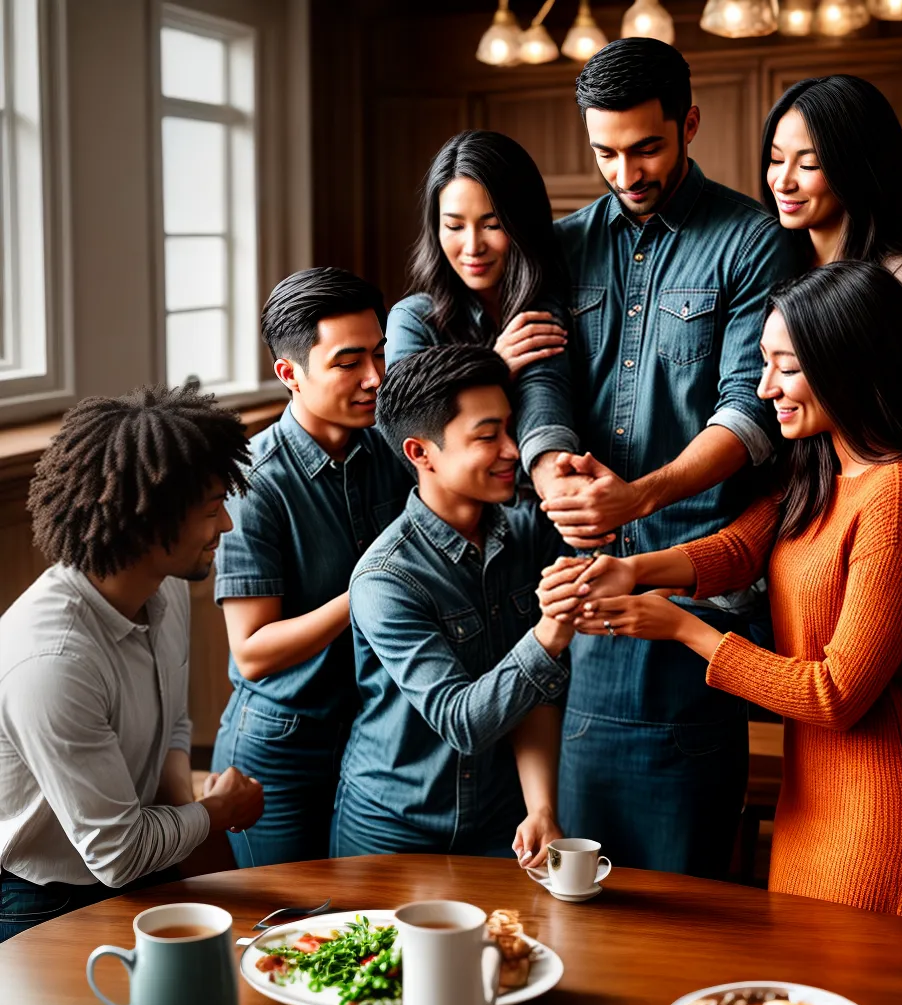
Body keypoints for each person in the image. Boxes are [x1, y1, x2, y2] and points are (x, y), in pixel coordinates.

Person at [546, 262, 902, 931]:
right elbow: (740, 548)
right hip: (812, 798)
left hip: (884, 808)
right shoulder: (824, 469)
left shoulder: (901, 495)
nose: (765, 386)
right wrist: (632, 571)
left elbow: (835, 695)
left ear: (851, 366)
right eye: (766, 362)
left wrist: (683, 630)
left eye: (788, 367)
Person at [526, 38, 799, 874]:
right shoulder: (563, 244)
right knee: (576, 878)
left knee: (684, 883)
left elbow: (751, 410)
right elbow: (544, 378)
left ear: (689, 124)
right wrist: (549, 468)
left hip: (699, 586)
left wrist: (638, 497)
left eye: (646, 146)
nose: (626, 170)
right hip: (576, 585)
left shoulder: (752, 241)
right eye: (605, 151)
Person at [0, 386, 264, 942]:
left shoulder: (163, 595)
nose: (227, 527)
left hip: (147, 856)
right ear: (149, 520)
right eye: (213, 509)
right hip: (47, 900)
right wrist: (217, 812)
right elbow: (115, 856)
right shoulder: (54, 661)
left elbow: (174, 722)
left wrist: (191, 816)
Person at [331, 345, 572, 866]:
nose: (513, 450)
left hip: (501, 822)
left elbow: (536, 691)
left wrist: (542, 808)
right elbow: (462, 721)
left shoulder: (527, 533)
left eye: (511, 428)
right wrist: (551, 631)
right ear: (421, 453)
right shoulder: (386, 579)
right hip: (391, 830)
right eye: (488, 436)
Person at [210, 268, 412, 868]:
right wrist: (369, 589)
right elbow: (251, 651)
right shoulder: (254, 483)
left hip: (373, 733)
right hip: (281, 749)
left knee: (359, 920)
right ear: (290, 374)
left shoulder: (392, 448)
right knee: (283, 931)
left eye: (379, 355)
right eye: (348, 362)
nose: (375, 378)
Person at [762, 74, 902, 464]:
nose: (783, 181)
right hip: (795, 514)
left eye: (809, 164)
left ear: (858, 169)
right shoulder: (771, 269)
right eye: (776, 159)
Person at [387, 129, 579, 478]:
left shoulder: (558, 300)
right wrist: (493, 367)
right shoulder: (413, 321)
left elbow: (546, 395)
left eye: (492, 225)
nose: (473, 246)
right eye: (455, 226)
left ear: (523, 225)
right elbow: (406, 437)